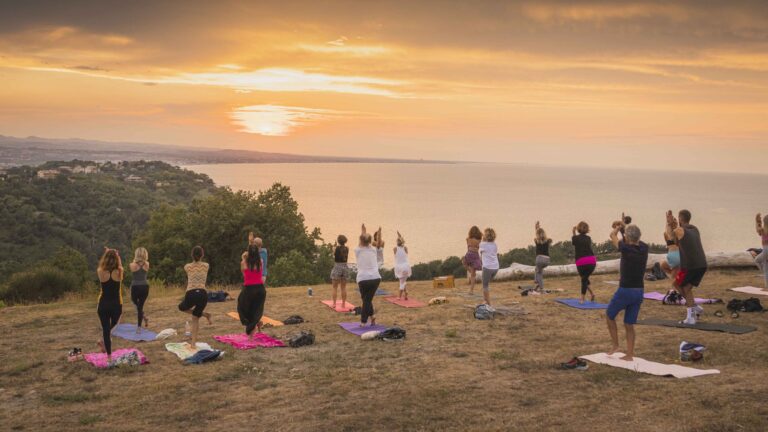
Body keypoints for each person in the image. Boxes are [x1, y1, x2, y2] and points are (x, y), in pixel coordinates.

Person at [606, 222, 648, 361]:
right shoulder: (644, 248)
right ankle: (629, 354)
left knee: (609, 315)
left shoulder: (625, 248)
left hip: (625, 290)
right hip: (639, 291)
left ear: (627, 238)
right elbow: (633, 239)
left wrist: (618, 229)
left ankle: (615, 345)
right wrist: (625, 229)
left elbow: (612, 235)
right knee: (629, 324)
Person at [666, 210, 707, 324]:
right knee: (686, 288)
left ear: (679, 218)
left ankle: (691, 316)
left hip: (690, 266)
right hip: (702, 264)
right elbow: (680, 233)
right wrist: (674, 224)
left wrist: (669, 223)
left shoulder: (679, 230)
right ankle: (695, 309)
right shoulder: (695, 229)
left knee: (677, 285)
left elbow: (671, 237)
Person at [178, 246, 212, 346]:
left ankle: (205, 314)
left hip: (191, 293)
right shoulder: (206, 265)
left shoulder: (187, 266)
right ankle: (193, 343)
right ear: (202, 255)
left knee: (182, 307)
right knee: (195, 318)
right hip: (202, 294)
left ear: (192, 255)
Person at [96, 248, 123, 362]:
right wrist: (117, 254)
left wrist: (107, 252)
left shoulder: (100, 271)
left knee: (106, 330)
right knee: (115, 323)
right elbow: (120, 265)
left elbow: (103, 265)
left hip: (103, 304)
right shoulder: (119, 271)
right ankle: (104, 344)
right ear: (116, 259)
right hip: (116, 304)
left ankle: (109, 357)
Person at [356, 224, 381, 327]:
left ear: (361, 241)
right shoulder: (374, 249)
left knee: (366, 300)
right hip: (375, 278)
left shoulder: (357, 250)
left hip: (363, 279)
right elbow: (375, 243)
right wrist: (378, 234)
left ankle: (363, 321)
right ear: (370, 242)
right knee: (367, 299)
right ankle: (373, 316)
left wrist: (363, 231)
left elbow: (362, 241)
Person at [238, 244, 265, 337]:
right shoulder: (261, 261)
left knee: (244, 308)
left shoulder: (244, 263)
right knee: (256, 309)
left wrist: (243, 257)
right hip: (260, 289)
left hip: (249, 289)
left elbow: (244, 275)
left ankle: (251, 334)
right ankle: (258, 324)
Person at [572, 221, 597, 304]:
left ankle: (582, 299)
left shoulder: (575, 238)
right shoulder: (588, 238)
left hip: (581, 261)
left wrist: (573, 232)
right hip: (592, 260)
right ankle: (592, 294)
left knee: (584, 279)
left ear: (578, 229)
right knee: (585, 278)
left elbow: (575, 242)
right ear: (587, 229)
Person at [129, 247, 150, 333]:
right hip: (145, 286)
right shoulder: (147, 264)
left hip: (135, 287)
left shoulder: (132, 265)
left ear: (136, 254)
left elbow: (134, 268)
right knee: (140, 306)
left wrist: (136, 261)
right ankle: (144, 317)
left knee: (137, 304)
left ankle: (139, 327)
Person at [479, 227, 499, 306]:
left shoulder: (482, 244)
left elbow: (480, 252)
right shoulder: (495, 245)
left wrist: (482, 239)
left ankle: (488, 304)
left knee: (485, 286)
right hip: (496, 268)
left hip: (487, 268)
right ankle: (485, 300)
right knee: (486, 284)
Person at [330, 235, 350, 308]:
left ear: (338, 241)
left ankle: (334, 303)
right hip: (345, 266)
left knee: (334, 287)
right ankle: (343, 304)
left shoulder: (335, 248)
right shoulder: (347, 248)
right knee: (343, 287)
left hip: (337, 266)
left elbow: (333, 253)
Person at [462, 226, 483, 293]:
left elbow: (468, 247)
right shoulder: (479, 240)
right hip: (476, 255)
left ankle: (469, 270)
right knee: (473, 275)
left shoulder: (468, 239)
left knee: (464, 262)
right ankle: (471, 290)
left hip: (469, 253)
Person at [751, 213, 768, 288]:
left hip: (766, 250)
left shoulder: (763, 230)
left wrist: (756, 221)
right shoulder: (763, 230)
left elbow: (757, 229)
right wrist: (759, 222)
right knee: (766, 268)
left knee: (757, 260)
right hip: (766, 251)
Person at [533, 221, 552, 292]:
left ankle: (540, 287)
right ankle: (537, 282)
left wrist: (536, 228)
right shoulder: (547, 240)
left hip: (539, 259)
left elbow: (538, 235)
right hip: (547, 260)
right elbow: (541, 235)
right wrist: (538, 228)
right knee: (537, 269)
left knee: (539, 273)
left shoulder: (536, 240)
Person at [394, 231, 412, 300]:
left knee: (402, 282)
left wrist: (399, 236)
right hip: (405, 267)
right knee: (402, 281)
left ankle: (399, 296)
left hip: (400, 268)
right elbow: (402, 243)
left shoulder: (395, 249)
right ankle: (406, 293)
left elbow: (400, 245)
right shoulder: (405, 248)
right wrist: (399, 235)